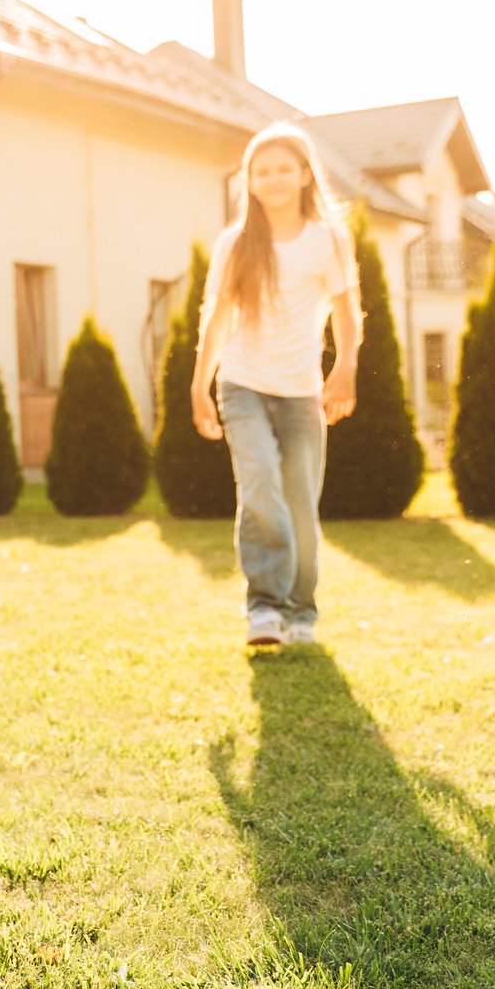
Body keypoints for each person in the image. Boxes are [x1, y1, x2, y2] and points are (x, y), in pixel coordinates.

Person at [189, 121, 362, 648]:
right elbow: (217, 317)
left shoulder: (328, 239)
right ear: (249, 180)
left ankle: (301, 611)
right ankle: (263, 608)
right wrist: (201, 385)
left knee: (299, 501)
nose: (274, 178)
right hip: (242, 384)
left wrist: (346, 367)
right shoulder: (235, 243)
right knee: (261, 483)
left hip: (302, 391)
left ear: (306, 174)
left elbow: (346, 311)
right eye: (262, 171)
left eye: (284, 168)